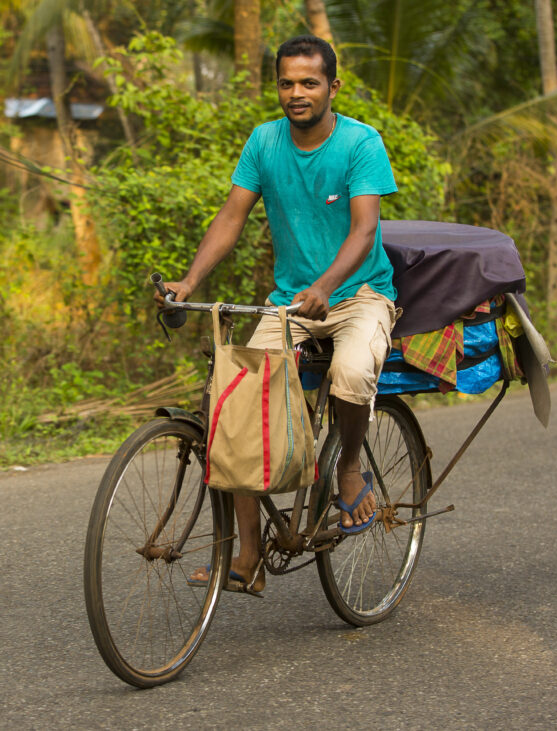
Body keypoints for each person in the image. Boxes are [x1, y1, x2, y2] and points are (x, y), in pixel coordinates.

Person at [154, 35, 399, 595]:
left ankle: (350, 469)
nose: (296, 93)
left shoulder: (361, 143)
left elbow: (364, 232)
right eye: (287, 82)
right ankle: (246, 560)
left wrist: (327, 286)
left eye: (309, 82)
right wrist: (189, 281)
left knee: (352, 373)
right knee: (238, 413)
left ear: (332, 87)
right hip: (291, 302)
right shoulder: (264, 142)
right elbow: (231, 216)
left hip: (359, 295)